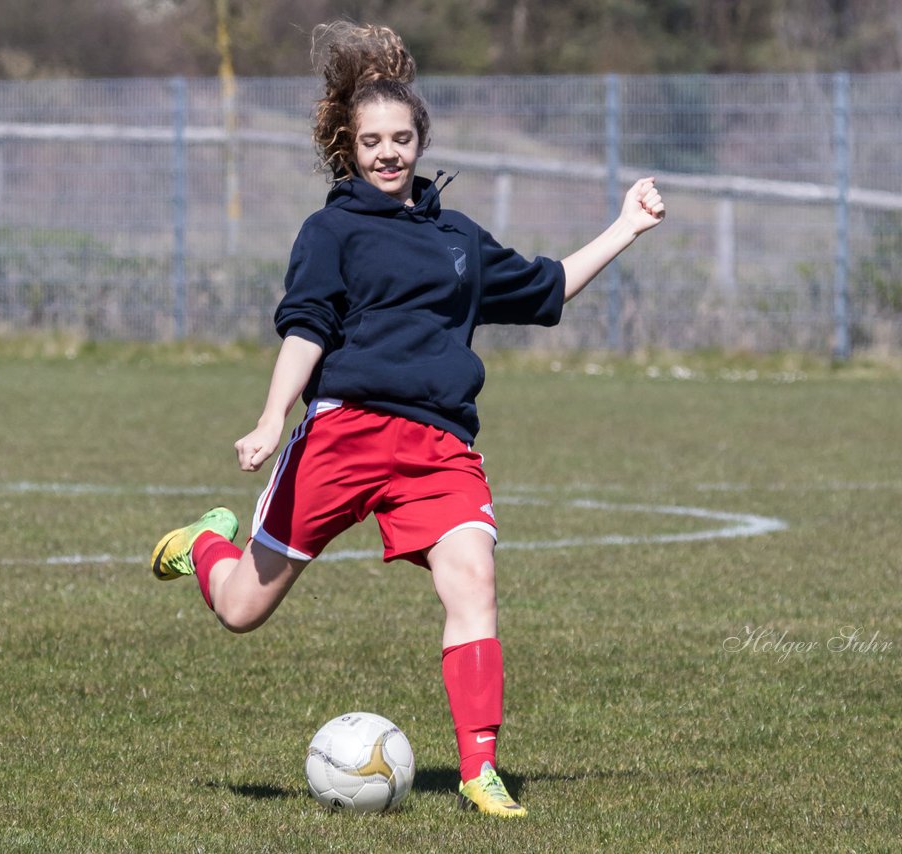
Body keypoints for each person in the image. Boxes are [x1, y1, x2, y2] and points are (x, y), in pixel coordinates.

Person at [151, 20, 665, 818]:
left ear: (422, 139)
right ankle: (205, 543)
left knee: (475, 582)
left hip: (439, 447)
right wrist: (268, 415)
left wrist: (626, 227)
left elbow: (549, 288)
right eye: (371, 142)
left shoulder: (458, 240)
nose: (387, 154)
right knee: (242, 610)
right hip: (343, 435)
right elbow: (306, 327)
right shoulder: (331, 231)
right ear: (350, 149)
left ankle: (479, 770)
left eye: (400, 139)